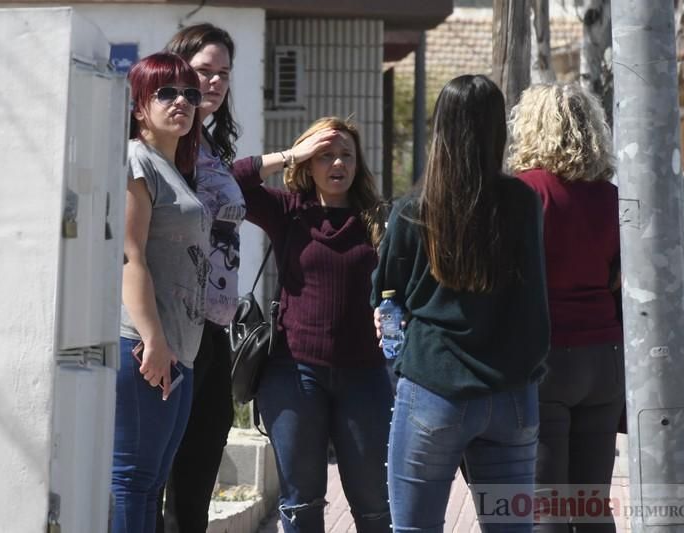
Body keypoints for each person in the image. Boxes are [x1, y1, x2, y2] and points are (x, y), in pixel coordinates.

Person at [371, 75, 550, 532]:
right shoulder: (522, 203)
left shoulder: (414, 209)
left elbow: (386, 299)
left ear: (439, 129)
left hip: (433, 387)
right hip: (511, 392)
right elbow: (534, 298)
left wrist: (399, 362)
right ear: (498, 130)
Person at [230, 117, 393, 532]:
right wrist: (289, 155)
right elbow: (229, 180)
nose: (337, 163)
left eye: (346, 155)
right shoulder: (289, 211)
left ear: (358, 165)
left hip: (365, 376)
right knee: (301, 504)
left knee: (374, 501)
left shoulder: (377, 218)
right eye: (325, 155)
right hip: (293, 374)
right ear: (308, 162)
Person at [508, 82, 624, 533]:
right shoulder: (612, 197)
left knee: (545, 507)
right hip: (604, 357)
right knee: (592, 503)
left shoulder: (523, 193)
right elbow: (620, 277)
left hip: (546, 357)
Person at [112, 52, 210, 533]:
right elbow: (131, 254)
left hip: (179, 350)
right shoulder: (136, 159)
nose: (182, 102)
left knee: (151, 484)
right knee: (132, 480)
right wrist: (152, 340)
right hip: (144, 347)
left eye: (190, 94)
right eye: (166, 92)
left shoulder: (174, 168)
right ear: (138, 106)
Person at [155, 23, 245, 533]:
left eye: (222, 75)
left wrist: (291, 158)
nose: (212, 84)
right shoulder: (160, 144)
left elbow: (241, 180)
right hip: (170, 329)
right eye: (203, 72)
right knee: (155, 478)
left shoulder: (209, 145)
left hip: (213, 328)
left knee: (196, 480)